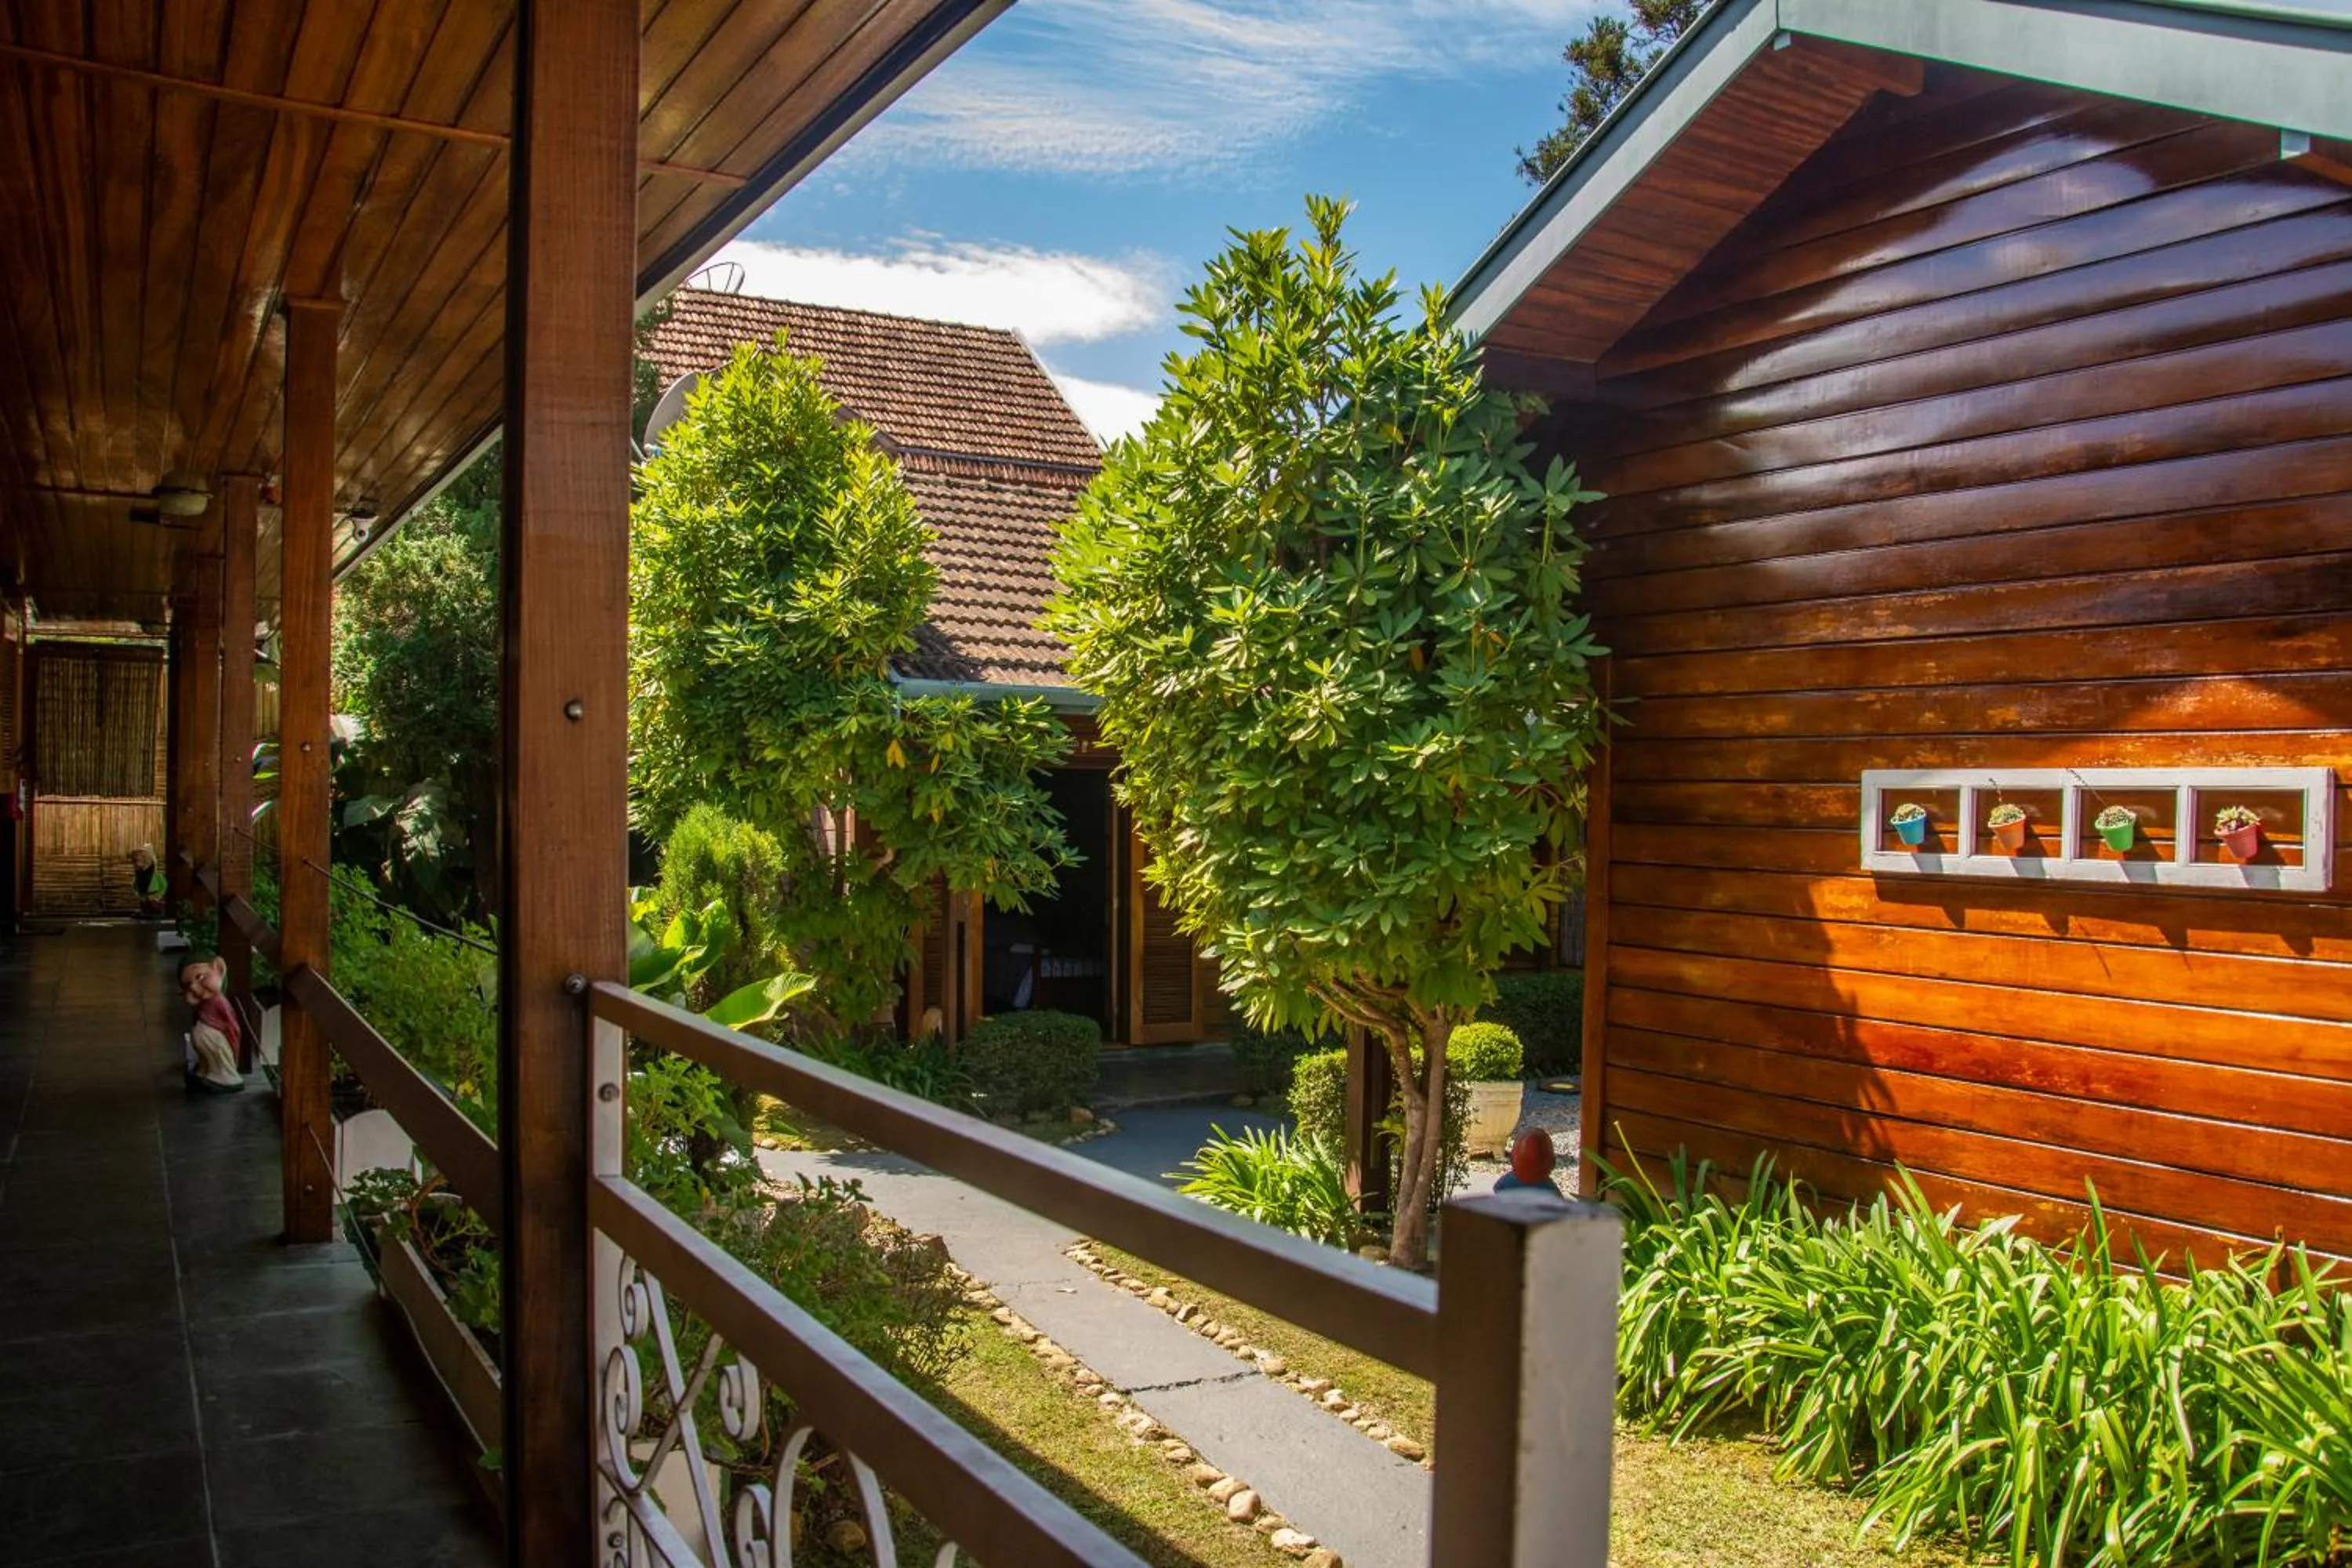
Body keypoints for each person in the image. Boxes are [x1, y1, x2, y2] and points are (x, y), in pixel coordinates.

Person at [181, 956, 245, 1094]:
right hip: (206, 1038)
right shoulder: (206, 1001)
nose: (193, 986)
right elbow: (193, 1003)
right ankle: (206, 1071)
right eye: (188, 985)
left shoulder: (219, 1002)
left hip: (217, 1039)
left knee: (213, 1048)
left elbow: (230, 1025)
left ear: (218, 969)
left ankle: (223, 1076)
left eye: (200, 977)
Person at [1494, 1127, 1566, 1200]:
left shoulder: (1507, 1182)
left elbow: (1497, 1190)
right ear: (1551, 1162)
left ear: (1513, 1158)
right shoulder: (1550, 1191)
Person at [129, 844, 165, 917]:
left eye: (136, 860)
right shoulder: (138, 876)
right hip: (144, 897)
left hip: (153, 899)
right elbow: (135, 887)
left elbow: (163, 885)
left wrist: (157, 896)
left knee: (152, 903)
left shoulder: (155, 876)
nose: (134, 864)